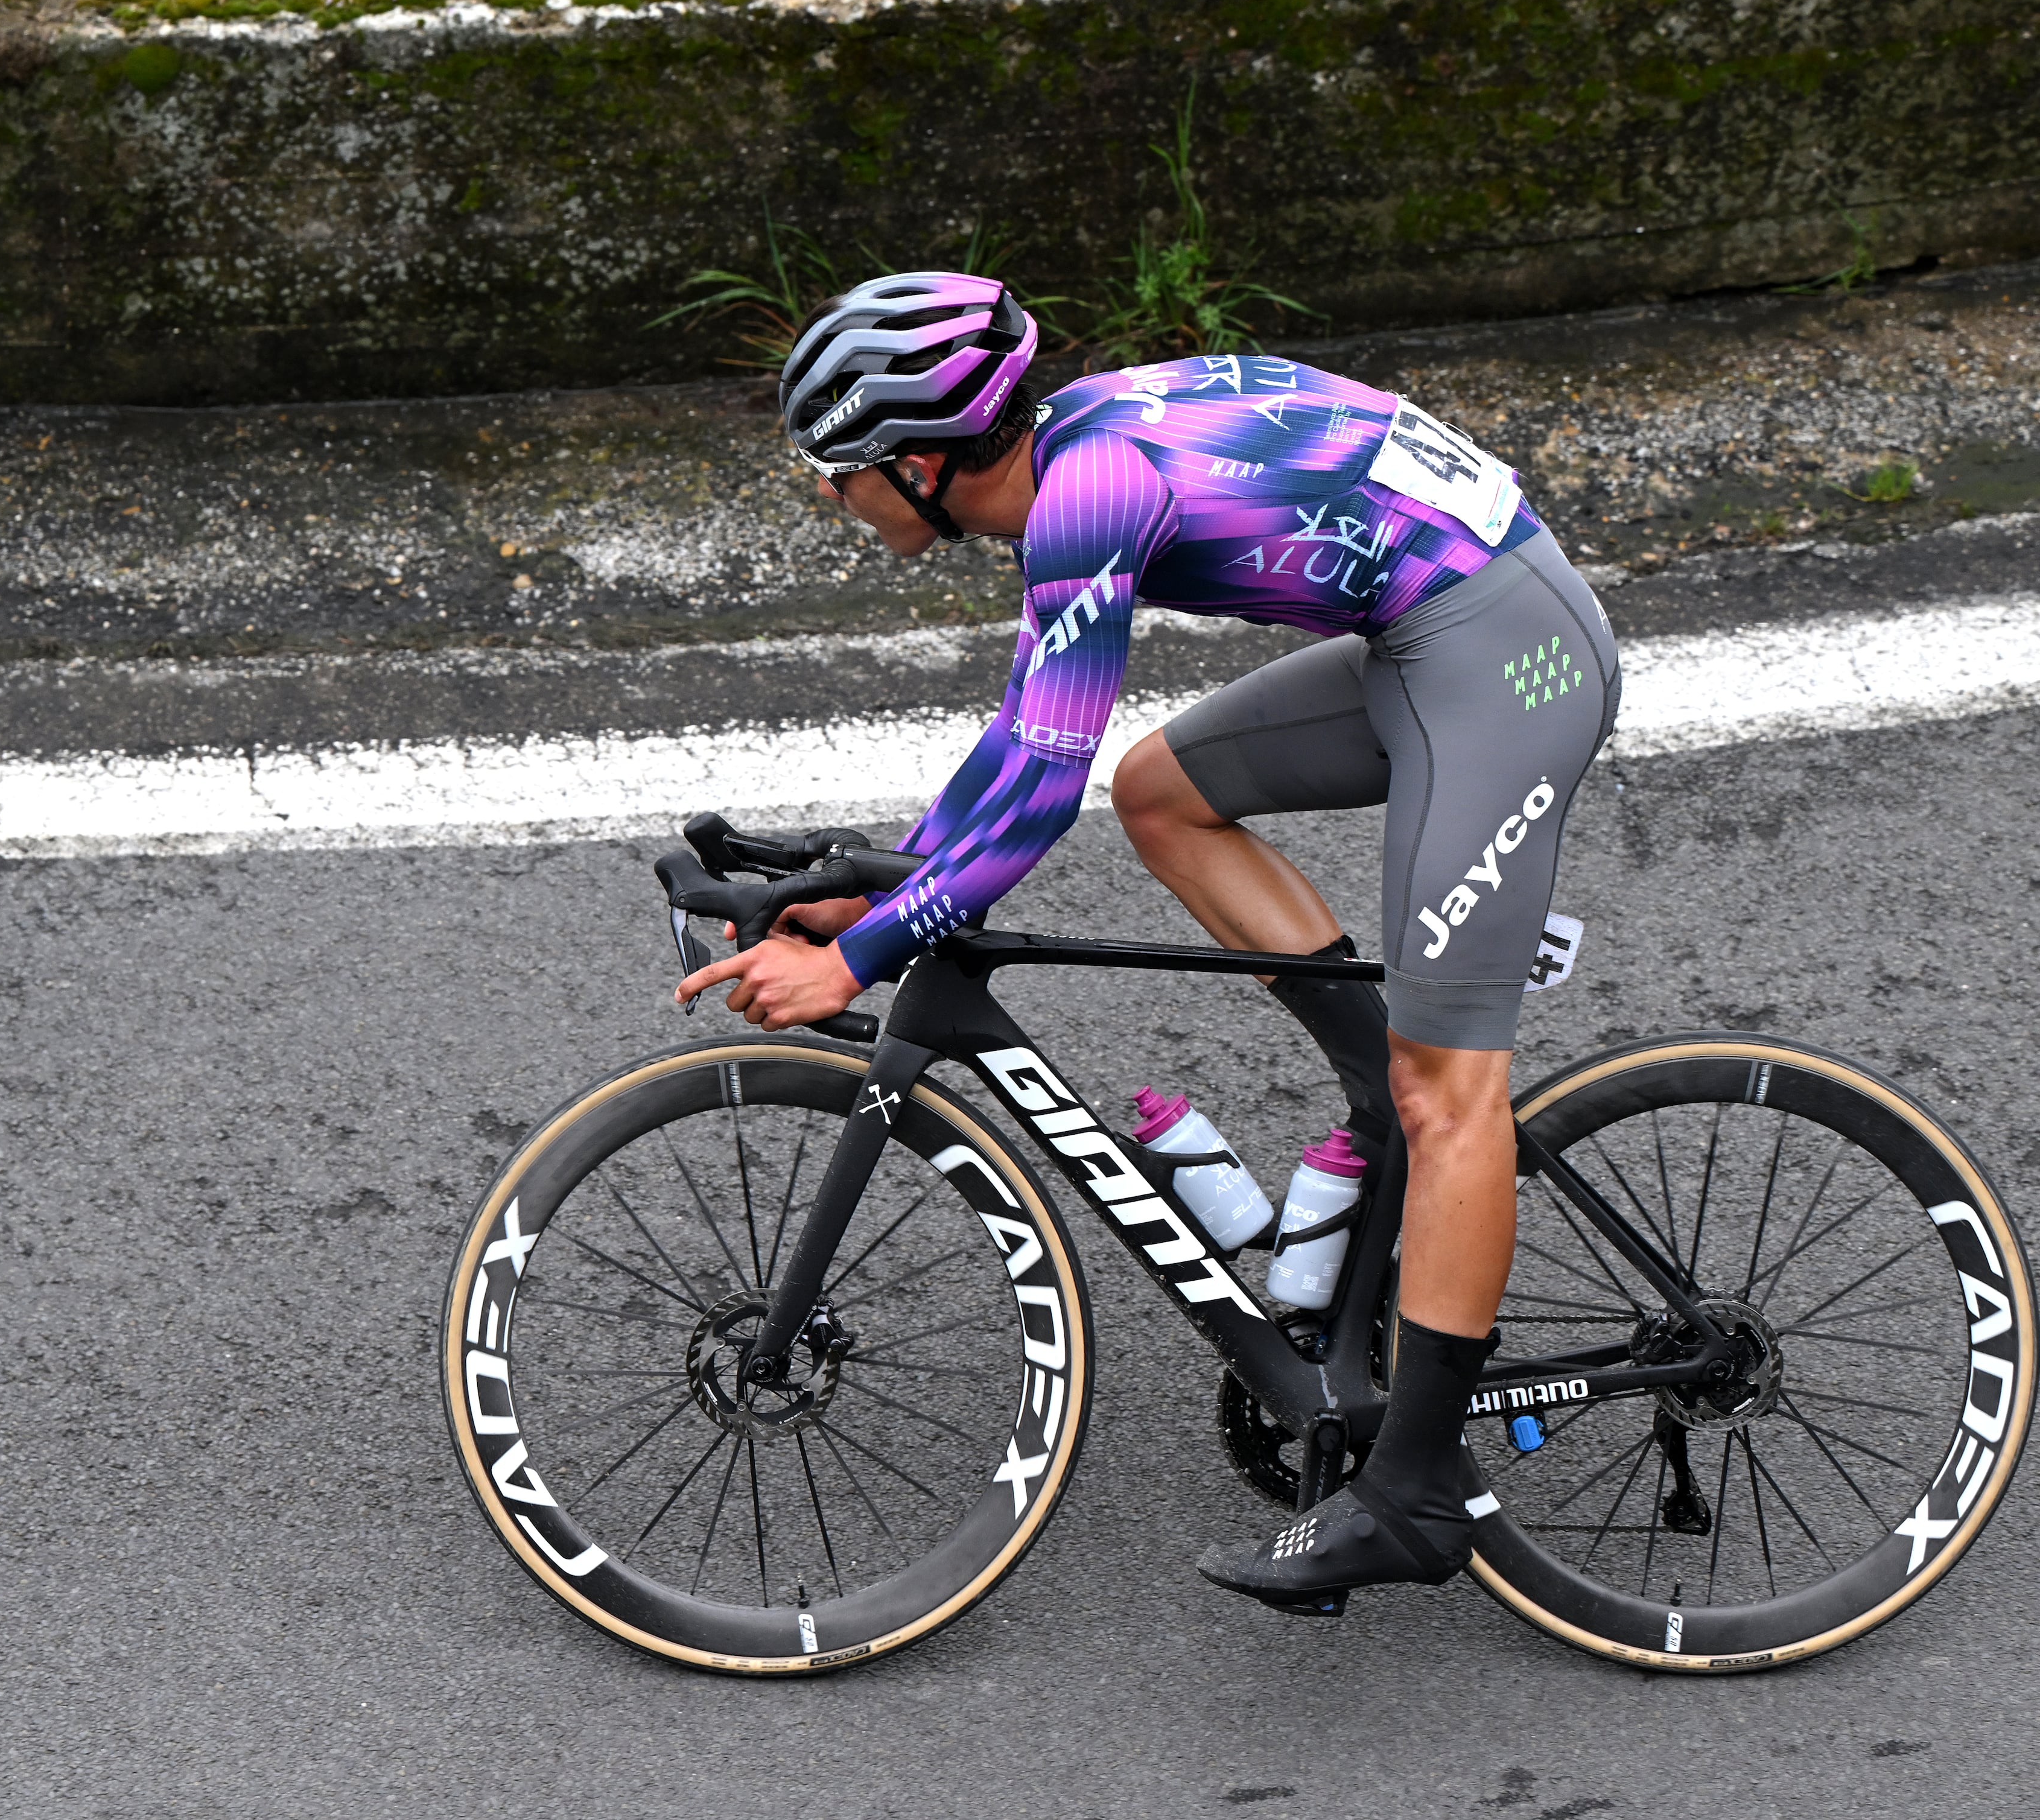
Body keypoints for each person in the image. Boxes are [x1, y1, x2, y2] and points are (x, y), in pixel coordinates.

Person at [675, 271, 1621, 1613]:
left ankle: (1414, 1491)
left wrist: (861, 956)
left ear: (927, 464)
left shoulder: (1088, 495)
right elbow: (1029, 731)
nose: (832, 495)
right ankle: (1382, 1090)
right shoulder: (1065, 460)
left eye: (844, 471)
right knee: (1161, 792)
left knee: (1447, 1087)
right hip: (1432, 631)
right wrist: (882, 882)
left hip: (1506, 661)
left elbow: (1035, 792)